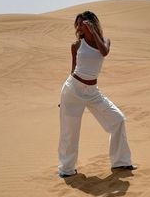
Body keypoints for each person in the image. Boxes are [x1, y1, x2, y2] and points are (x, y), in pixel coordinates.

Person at [58, 11, 136, 178]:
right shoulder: (76, 45)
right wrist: (63, 98)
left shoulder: (104, 41)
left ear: (92, 23)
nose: (79, 27)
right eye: (77, 24)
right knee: (69, 131)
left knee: (118, 119)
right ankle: (66, 169)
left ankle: (121, 162)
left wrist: (94, 33)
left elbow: (104, 52)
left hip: (93, 92)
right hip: (73, 90)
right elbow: (72, 70)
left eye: (83, 23)